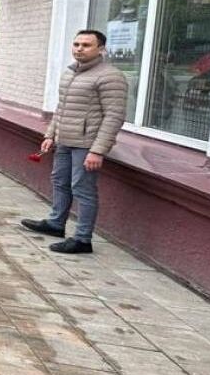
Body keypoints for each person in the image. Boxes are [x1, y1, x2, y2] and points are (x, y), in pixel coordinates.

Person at [21, 30, 129, 253]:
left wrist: (97, 150)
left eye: (86, 45)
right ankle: (55, 223)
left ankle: (82, 239)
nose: (79, 48)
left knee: (83, 189)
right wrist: (50, 135)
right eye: (76, 44)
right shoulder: (70, 73)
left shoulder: (110, 76)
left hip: (86, 144)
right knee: (60, 182)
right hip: (64, 140)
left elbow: (114, 116)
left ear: (101, 49)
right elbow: (61, 109)